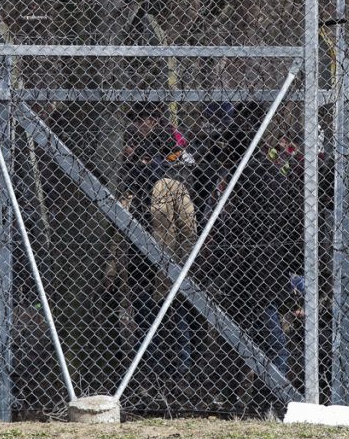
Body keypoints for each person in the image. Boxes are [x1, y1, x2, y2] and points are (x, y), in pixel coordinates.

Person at [207, 102, 302, 405]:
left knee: (244, 340)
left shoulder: (246, 178)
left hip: (249, 272)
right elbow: (286, 229)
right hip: (259, 273)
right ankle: (266, 402)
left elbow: (269, 229)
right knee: (269, 344)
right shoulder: (267, 176)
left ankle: (244, 398)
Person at [122, 103, 196, 399]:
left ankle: (179, 375)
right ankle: (149, 376)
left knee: (173, 316)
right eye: (136, 120)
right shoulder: (130, 164)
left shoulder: (172, 161)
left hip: (168, 256)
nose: (139, 126)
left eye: (143, 119)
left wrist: (184, 259)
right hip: (139, 258)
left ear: (153, 120)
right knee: (144, 317)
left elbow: (187, 223)